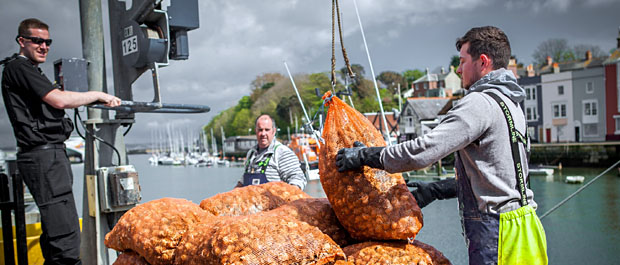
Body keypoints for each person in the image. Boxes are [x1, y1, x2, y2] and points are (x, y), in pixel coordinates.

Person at [336, 26, 547, 265]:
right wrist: (436, 189)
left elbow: (423, 151)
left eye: (462, 61)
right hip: (526, 224)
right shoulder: (512, 104)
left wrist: (366, 156)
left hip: (496, 231)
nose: (458, 69)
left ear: (483, 62)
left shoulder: (479, 103)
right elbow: (497, 179)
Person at [1, 18, 121, 265]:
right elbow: (59, 100)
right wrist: (98, 95)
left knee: (55, 230)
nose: (44, 46)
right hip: (43, 157)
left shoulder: (28, 70)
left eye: (47, 42)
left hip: (48, 157)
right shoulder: (19, 68)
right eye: (37, 41)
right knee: (65, 239)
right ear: (21, 41)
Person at [237, 114, 307, 190]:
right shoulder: (251, 154)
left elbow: (298, 179)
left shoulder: (282, 152)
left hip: (276, 201)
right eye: (260, 130)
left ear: (274, 131)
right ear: (255, 131)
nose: (263, 134)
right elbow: (242, 182)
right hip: (250, 201)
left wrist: (288, 197)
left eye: (267, 130)